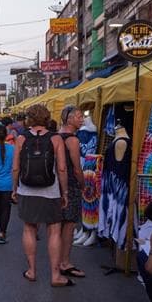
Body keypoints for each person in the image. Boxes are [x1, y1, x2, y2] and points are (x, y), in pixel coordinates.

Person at [13, 104, 71, 287]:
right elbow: (61, 168)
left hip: (26, 189)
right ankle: (55, 275)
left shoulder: (21, 138)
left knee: (29, 228)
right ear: (47, 118)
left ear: (29, 118)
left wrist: (14, 188)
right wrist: (65, 192)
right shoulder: (56, 139)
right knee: (54, 230)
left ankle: (31, 270)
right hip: (51, 191)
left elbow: (15, 168)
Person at [58, 105, 86, 278]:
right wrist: (83, 184)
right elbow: (76, 168)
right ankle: (65, 262)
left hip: (56, 185)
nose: (82, 119)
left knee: (57, 226)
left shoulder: (56, 137)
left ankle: (57, 261)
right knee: (69, 226)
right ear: (69, 119)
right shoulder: (72, 140)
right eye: (79, 116)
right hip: (70, 185)